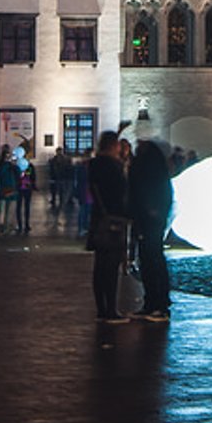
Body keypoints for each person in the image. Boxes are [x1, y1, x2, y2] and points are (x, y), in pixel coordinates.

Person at [87, 131, 131, 323]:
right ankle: (111, 310)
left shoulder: (94, 164)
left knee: (99, 266)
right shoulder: (113, 167)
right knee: (111, 266)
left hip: (98, 219)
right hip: (113, 220)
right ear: (113, 146)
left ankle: (101, 309)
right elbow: (122, 194)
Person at [128, 140, 173, 321]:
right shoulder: (157, 172)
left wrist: (149, 212)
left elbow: (141, 192)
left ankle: (158, 304)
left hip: (149, 221)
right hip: (149, 221)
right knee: (148, 261)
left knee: (152, 260)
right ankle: (152, 302)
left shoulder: (149, 172)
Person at [0, 146, 17, 235]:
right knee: (0, 209)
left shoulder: (12, 165)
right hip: (3, 188)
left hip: (11, 187)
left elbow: (18, 173)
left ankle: (6, 227)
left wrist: (14, 165)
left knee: (9, 210)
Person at [14, 146, 36, 234]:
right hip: (23, 188)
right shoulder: (17, 166)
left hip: (25, 188)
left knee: (23, 207)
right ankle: (22, 224)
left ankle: (25, 224)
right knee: (21, 207)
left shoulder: (28, 166)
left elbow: (32, 176)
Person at [48, 148, 71, 214]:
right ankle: (54, 199)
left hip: (62, 177)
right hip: (56, 177)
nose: (59, 153)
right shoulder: (54, 160)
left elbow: (67, 168)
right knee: (54, 189)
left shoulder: (64, 159)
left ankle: (61, 200)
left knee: (61, 190)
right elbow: (51, 169)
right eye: (58, 151)